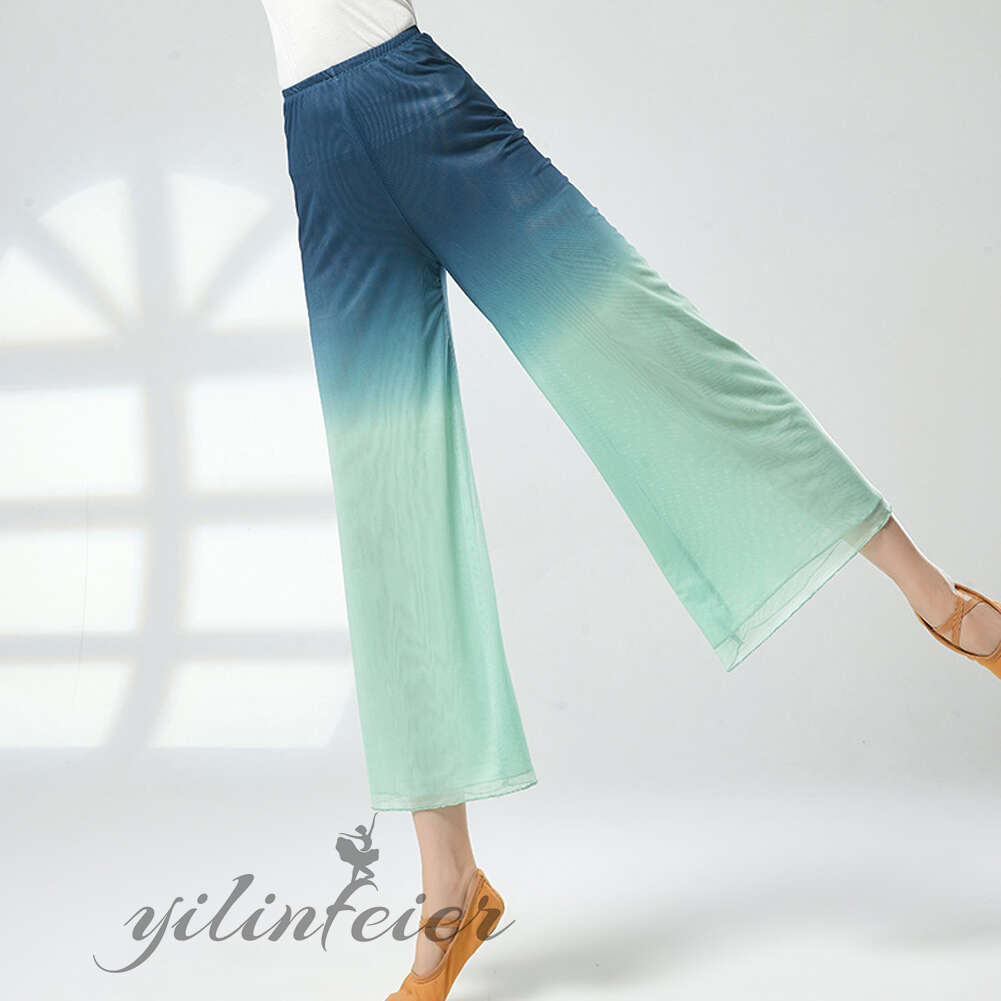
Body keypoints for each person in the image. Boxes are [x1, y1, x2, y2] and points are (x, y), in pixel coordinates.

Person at [259, 3, 1001, 998]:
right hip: (316, 143)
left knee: (646, 351)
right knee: (384, 495)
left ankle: (941, 601)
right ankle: (450, 885)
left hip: (412, 100)